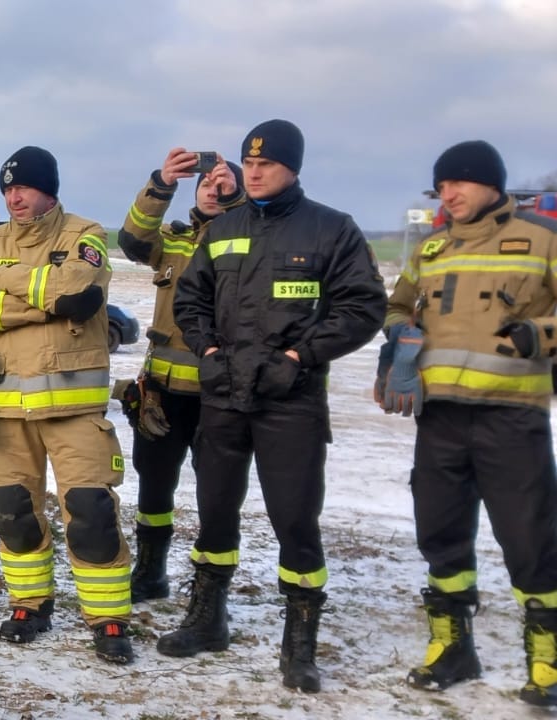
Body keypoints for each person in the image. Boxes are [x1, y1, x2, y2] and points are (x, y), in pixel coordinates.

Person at [164, 119, 386, 692]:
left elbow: (362, 306)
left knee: (295, 520)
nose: (254, 171)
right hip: (223, 396)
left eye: (266, 163)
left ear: (293, 167)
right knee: (214, 510)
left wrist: (298, 357)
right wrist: (208, 350)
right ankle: (208, 618)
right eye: (248, 162)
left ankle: (300, 641)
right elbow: (191, 299)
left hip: (290, 402)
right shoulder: (223, 228)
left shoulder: (331, 230)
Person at [381, 140, 557, 706]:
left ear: (491, 184)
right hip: (440, 419)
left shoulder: (540, 241)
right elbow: (397, 305)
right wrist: (398, 339)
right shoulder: (432, 249)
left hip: (512, 417)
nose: (448, 194)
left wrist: (542, 334)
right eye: (442, 186)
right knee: (440, 536)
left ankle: (548, 660)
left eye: (458, 183)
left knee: (530, 541)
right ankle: (453, 646)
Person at [0, 146, 132, 663]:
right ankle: (30, 603)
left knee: (91, 515)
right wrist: (38, 306)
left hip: (74, 414)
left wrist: (4, 289)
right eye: (8, 189)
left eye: (24, 188)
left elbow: (77, 290)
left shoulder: (84, 236)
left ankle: (109, 618)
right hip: (6, 413)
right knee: (14, 514)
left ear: (48, 190)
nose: (14, 197)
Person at [115, 150, 245, 602]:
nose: (210, 189)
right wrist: (161, 184)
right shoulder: (172, 241)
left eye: (219, 183)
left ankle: (211, 590)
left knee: (217, 494)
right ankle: (150, 573)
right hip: (164, 392)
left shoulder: (245, 240)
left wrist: (235, 204)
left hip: (219, 393)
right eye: (203, 184)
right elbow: (132, 240)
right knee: (153, 485)